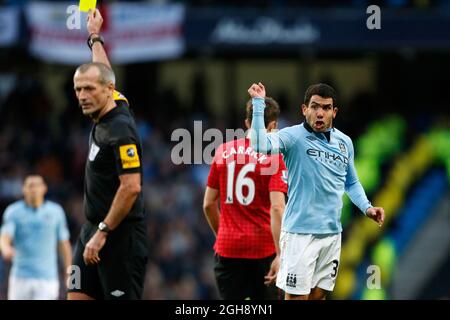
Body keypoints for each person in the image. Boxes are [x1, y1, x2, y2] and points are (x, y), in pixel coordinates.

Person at [248, 82, 385, 300]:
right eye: (314, 106)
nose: (319, 113)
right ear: (305, 109)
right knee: (296, 297)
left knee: (318, 296)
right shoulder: (292, 137)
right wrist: (258, 104)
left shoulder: (344, 143)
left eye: (326, 108)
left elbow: (351, 182)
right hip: (300, 234)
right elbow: (258, 144)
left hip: (331, 234)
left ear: (334, 112)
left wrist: (367, 208)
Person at [68, 9, 148, 300]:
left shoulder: (120, 131)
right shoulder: (114, 102)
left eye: (88, 89)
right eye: (78, 89)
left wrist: (103, 232)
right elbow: (102, 70)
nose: (82, 95)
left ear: (108, 91)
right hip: (91, 230)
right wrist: (94, 37)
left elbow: (131, 187)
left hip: (119, 238)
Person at [203, 97, 288, 299]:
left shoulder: (222, 151)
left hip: (228, 249)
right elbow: (277, 208)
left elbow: (208, 204)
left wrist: (224, 234)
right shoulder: (275, 157)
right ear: (273, 125)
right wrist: (280, 253)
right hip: (264, 249)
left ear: (247, 122)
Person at [0, 175, 72, 300]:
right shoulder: (13, 212)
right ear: (23, 189)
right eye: (30, 186)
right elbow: (5, 236)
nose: (33, 189)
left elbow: (64, 245)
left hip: (47, 279)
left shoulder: (56, 212)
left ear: (44, 188)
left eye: (37, 185)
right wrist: (5, 248)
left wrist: (69, 272)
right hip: (20, 277)